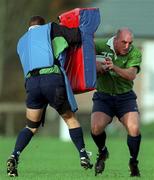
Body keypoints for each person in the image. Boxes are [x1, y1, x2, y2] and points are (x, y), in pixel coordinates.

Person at [6, 15, 93, 177]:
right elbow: (78, 36)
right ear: (42, 25)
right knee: (70, 119)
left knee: (31, 126)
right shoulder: (51, 29)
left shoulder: (22, 41)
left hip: (32, 83)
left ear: (29, 28)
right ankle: (83, 155)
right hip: (51, 80)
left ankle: (14, 155)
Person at [91, 28, 142, 177]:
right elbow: (84, 54)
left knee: (134, 128)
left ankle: (133, 162)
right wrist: (98, 67)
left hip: (125, 97)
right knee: (95, 128)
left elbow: (131, 74)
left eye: (130, 42)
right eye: (124, 42)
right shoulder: (100, 46)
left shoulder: (134, 53)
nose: (127, 46)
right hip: (104, 96)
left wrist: (114, 67)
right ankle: (102, 152)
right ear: (115, 40)